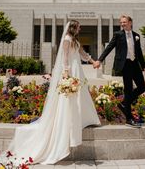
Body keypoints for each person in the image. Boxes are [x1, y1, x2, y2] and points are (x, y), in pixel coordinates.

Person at [7, 20, 100, 165]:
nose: (80, 28)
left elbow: (82, 53)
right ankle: (70, 120)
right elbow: (64, 56)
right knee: (70, 97)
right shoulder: (67, 39)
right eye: (79, 26)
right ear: (73, 28)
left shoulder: (75, 40)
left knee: (81, 94)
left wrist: (93, 61)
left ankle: (84, 119)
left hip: (78, 70)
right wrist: (66, 72)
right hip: (70, 70)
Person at [94, 15, 145, 128]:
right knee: (128, 90)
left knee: (142, 87)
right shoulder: (118, 35)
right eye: (121, 22)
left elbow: (139, 52)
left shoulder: (136, 36)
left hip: (135, 64)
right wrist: (99, 60)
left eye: (124, 22)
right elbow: (109, 47)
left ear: (130, 22)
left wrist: (144, 66)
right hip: (125, 65)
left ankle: (124, 103)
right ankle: (129, 119)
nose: (122, 24)